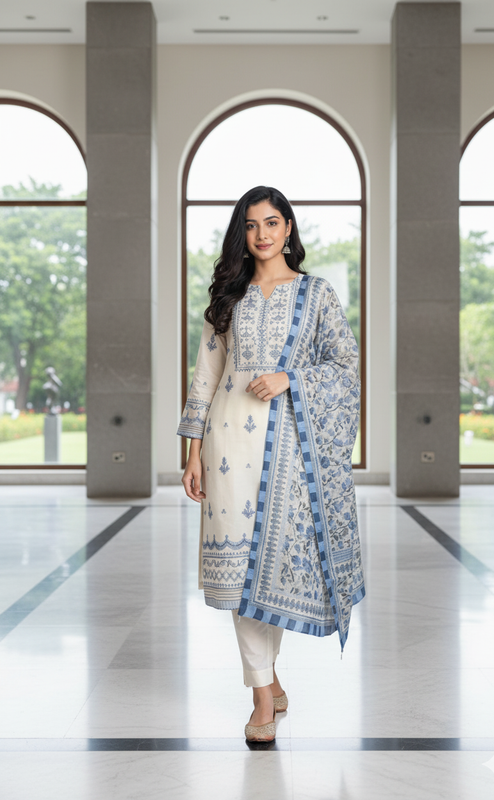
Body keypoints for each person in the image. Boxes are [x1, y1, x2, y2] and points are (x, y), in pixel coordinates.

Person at [178, 186, 365, 742]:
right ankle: (262, 696)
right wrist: (192, 451)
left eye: (272, 223)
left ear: (288, 229)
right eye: (252, 225)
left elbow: (346, 364)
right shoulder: (228, 299)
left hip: (291, 449)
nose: (262, 234)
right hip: (228, 444)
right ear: (243, 232)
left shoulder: (317, 294)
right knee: (239, 575)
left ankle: (269, 678)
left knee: (270, 564)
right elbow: (206, 377)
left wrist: (291, 378)